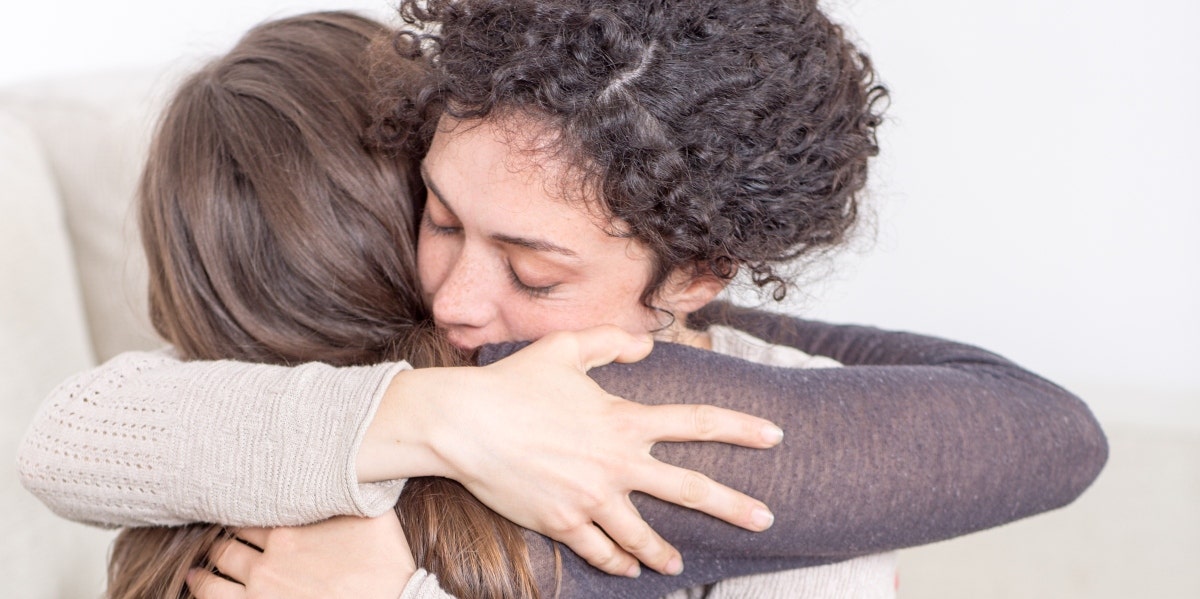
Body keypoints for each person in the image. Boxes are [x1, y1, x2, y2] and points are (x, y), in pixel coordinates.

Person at [18, 2, 1108, 598]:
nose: (452, 296)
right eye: (438, 217)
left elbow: (71, 433)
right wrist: (448, 414)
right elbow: (1050, 429)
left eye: (535, 272)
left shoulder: (202, 462)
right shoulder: (626, 413)